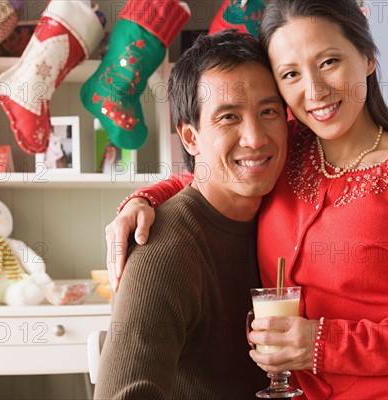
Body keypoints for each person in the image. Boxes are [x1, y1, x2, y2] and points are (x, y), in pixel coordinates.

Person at [104, 0, 388, 398]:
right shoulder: (287, 149)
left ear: (367, 57)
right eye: (290, 73)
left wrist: (325, 344)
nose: (314, 91)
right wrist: (147, 197)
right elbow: (223, 166)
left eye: (329, 62)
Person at [93, 30, 288, 398]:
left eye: (268, 112)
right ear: (191, 137)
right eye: (229, 117)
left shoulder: (286, 207)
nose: (256, 138)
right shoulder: (163, 250)